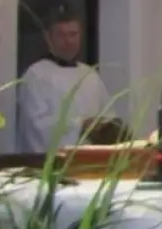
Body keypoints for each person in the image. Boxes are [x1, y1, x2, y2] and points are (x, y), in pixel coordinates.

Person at [17, 9, 117, 152]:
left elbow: (108, 115)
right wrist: (80, 125)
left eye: (73, 35)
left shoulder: (90, 74)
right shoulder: (36, 74)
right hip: (51, 162)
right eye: (61, 35)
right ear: (48, 37)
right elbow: (36, 126)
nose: (68, 41)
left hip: (92, 161)